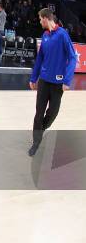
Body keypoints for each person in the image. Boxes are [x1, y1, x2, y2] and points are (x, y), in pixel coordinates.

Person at [28, 8, 77, 156]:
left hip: (57, 83)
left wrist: (67, 79)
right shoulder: (45, 35)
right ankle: (36, 142)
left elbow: (72, 57)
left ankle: (40, 130)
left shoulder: (62, 34)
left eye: (40, 18)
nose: (39, 21)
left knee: (53, 112)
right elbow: (40, 58)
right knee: (38, 114)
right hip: (43, 81)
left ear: (46, 18)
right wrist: (33, 77)